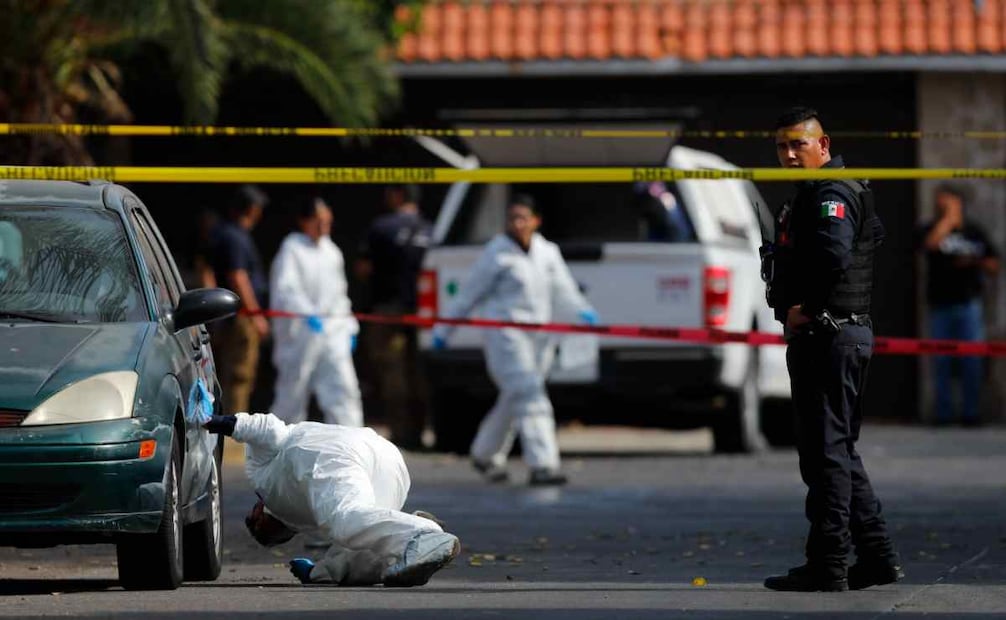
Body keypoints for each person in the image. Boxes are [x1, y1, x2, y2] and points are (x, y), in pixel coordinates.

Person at [761, 107, 902, 592]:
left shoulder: (832, 193)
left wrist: (806, 308)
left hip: (829, 334)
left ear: (823, 146)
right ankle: (877, 556)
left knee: (825, 456)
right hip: (837, 333)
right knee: (837, 451)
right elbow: (873, 236)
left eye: (798, 145)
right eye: (782, 146)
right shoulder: (824, 192)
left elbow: (835, 254)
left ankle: (828, 563)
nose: (789, 155)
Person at [431, 194, 598, 486]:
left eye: (523, 217)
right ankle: (543, 464)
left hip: (539, 338)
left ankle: (484, 454)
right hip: (506, 337)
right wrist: (443, 331)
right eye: (512, 218)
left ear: (536, 221)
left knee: (515, 397)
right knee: (531, 396)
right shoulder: (496, 254)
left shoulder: (548, 252)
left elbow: (565, 290)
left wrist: (583, 312)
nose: (517, 223)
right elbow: (469, 295)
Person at [203, 412, 460, 586]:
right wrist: (315, 573)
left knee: (347, 521)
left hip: (330, 455)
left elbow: (269, 428)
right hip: (387, 461)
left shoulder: (261, 477)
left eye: (252, 522)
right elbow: (346, 559)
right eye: (257, 532)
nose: (255, 525)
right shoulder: (311, 514)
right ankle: (410, 543)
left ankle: (423, 533)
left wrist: (223, 422)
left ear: (259, 508)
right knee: (361, 541)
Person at [270, 198, 363, 427]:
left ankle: (351, 445)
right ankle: (280, 448)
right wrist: (307, 314)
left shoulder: (333, 252)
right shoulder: (292, 248)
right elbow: (286, 289)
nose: (323, 226)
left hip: (333, 334)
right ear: (305, 221)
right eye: (318, 221)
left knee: (344, 390)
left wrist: (350, 327)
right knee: (292, 394)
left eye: (327, 221)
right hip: (301, 335)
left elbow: (340, 295)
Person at [356, 184, 433, 449]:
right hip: (425, 312)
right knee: (420, 373)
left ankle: (403, 433)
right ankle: (420, 430)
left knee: (393, 373)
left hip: (388, 312)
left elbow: (364, 268)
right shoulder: (431, 230)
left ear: (398, 195)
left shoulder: (382, 228)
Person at [919, 184, 1000, 426]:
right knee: (941, 361)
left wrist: (974, 261)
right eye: (940, 203)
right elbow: (930, 245)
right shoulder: (930, 228)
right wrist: (947, 221)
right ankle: (943, 414)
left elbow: (994, 264)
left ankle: (970, 413)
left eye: (948, 202)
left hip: (968, 304)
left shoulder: (974, 232)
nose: (942, 206)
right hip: (940, 304)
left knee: (971, 362)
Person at [210, 184, 269, 415]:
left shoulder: (231, 235)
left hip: (238, 318)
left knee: (241, 377)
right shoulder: (234, 237)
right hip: (241, 319)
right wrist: (256, 316)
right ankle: (234, 438)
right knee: (239, 376)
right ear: (252, 209)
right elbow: (238, 277)